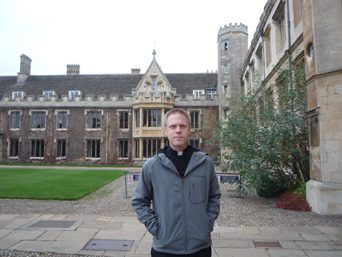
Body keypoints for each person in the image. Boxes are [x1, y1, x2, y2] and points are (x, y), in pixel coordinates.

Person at [132, 108, 221, 257]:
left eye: (182, 126)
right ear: (166, 131)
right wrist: (157, 229)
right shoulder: (152, 166)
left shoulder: (205, 163)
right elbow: (139, 201)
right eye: (173, 126)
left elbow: (214, 196)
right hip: (165, 248)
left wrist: (207, 224)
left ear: (189, 130)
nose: (178, 130)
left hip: (200, 247)